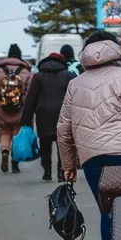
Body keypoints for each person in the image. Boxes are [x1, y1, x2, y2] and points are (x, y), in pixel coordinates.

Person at [57, 30, 121, 240]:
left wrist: (69, 166)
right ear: (114, 48)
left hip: (92, 159)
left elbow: (63, 130)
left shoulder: (75, 83)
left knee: (108, 211)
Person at [20, 52, 76, 182]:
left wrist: (26, 121)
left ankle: (47, 171)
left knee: (45, 144)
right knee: (63, 145)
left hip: (43, 114)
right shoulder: (68, 75)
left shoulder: (39, 76)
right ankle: (62, 172)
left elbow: (31, 99)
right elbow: (74, 97)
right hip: (63, 114)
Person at [0, 43, 32, 174]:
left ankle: (5, 150)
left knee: (5, 132)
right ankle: (15, 163)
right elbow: (29, 93)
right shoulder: (25, 71)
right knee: (16, 134)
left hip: (2, 108)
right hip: (20, 108)